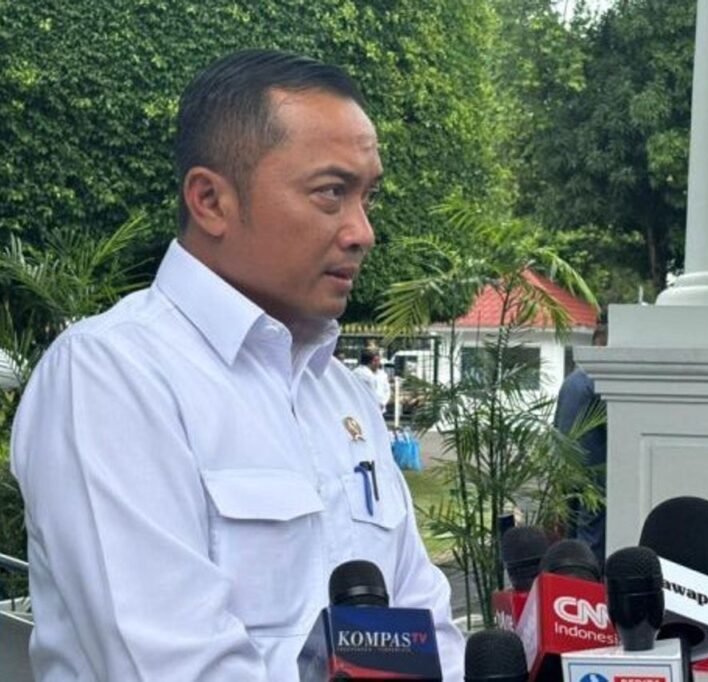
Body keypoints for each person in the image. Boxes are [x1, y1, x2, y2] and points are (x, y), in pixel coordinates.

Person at [10, 49, 463, 681]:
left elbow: (427, 633)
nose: (362, 231)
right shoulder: (109, 376)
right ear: (211, 201)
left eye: (368, 197)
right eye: (331, 193)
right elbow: (170, 665)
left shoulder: (341, 394)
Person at [553, 322, 608, 565]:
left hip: (567, 469)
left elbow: (556, 424)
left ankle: (570, 578)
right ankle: (587, 580)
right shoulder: (599, 383)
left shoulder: (571, 380)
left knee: (572, 533)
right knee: (591, 536)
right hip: (594, 473)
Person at [353, 347, 391, 413]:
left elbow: (387, 390)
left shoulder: (382, 374)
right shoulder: (359, 373)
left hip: (380, 408)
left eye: (378, 360)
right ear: (370, 362)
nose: (378, 363)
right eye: (376, 361)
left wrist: (383, 403)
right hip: (365, 408)